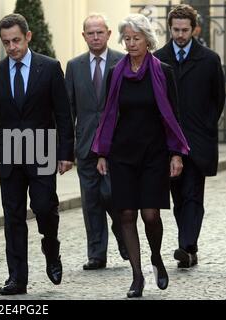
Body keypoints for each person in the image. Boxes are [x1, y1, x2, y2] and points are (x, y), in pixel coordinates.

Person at [0, 14, 74, 295]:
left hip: (41, 152)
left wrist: (66, 153)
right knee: (13, 216)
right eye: (6, 43)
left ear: (27, 37)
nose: (12, 47)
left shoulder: (49, 67)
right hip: (8, 156)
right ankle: (17, 278)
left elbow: (63, 114)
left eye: (16, 40)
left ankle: (51, 247)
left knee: (44, 208)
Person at [92, 14, 190, 298]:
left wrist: (176, 154)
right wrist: (102, 153)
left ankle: (156, 257)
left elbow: (173, 116)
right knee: (125, 213)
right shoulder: (116, 72)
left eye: (136, 38)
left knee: (150, 215)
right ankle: (137, 276)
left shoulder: (163, 71)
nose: (131, 43)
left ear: (148, 39)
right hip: (122, 153)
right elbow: (108, 114)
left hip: (154, 153)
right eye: (127, 39)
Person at [155, 4, 225, 269]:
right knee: (179, 197)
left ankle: (185, 246)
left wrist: (205, 125)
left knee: (194, 194)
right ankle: (190, 247)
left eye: (185, 30)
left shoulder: (208, 59)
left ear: (194, 29)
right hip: (169, 142)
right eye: (176, 30)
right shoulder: (159, 59)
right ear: (171, 28)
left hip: (198, 141)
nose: (180, 35)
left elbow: (218, 98)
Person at [65, 14, 128, 271]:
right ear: (83, 36)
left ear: (109, 33)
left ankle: (124, 235)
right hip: (86, 144)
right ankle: (96, 254)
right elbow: (68, 110)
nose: (95, 37)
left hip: (116, 144)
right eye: (90, 33)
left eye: (99, 32)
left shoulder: (122, 62)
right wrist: (66, 149)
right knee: (90, 199)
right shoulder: (75, 65)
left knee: (112, 194)